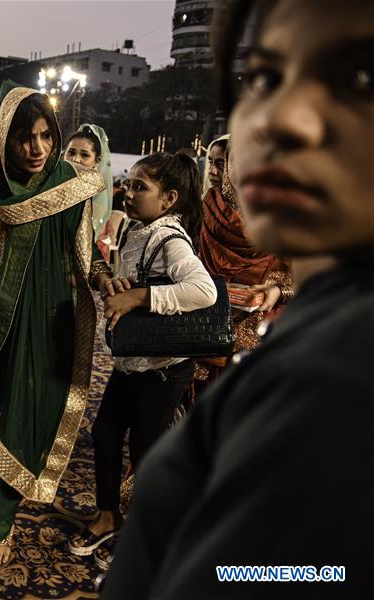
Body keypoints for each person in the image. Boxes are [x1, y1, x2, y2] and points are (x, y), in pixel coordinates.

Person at [103, 0, 374, 597]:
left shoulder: (345, 375)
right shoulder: (322, 336)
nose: (281, 119)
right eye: (265, 78)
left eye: (360, 77)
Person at [0, 82, 106, 571]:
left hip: (47, 319)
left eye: (46, 135)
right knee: (2, 407)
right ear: (4, 141)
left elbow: (83, 253)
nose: (38, 148)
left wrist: (106, 274)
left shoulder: (69, 184)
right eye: (25, 137)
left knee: (29, 409)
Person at [67, 151, 217, 556]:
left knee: (147, 450)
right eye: (128, 184)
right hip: (132, 362)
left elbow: (204, 291)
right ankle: (107, 514)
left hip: (163, 368)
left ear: (168, 199)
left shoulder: (171, 238)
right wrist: (121, 283)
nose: (127, 192)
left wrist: (139, 295)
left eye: (140, 187)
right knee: (105, 435)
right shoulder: (137, 230)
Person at [196, 140, 292, 387]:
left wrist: (278, 290)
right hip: (200, 321)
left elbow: (310, 276)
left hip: (258, 329)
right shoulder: (205, 207)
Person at [65, 123, 114, 235]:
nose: (76, 159)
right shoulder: (53, 182)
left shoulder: (97, 194)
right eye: (71, 152)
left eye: (85, 155)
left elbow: (85, 234)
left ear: (97, 161)